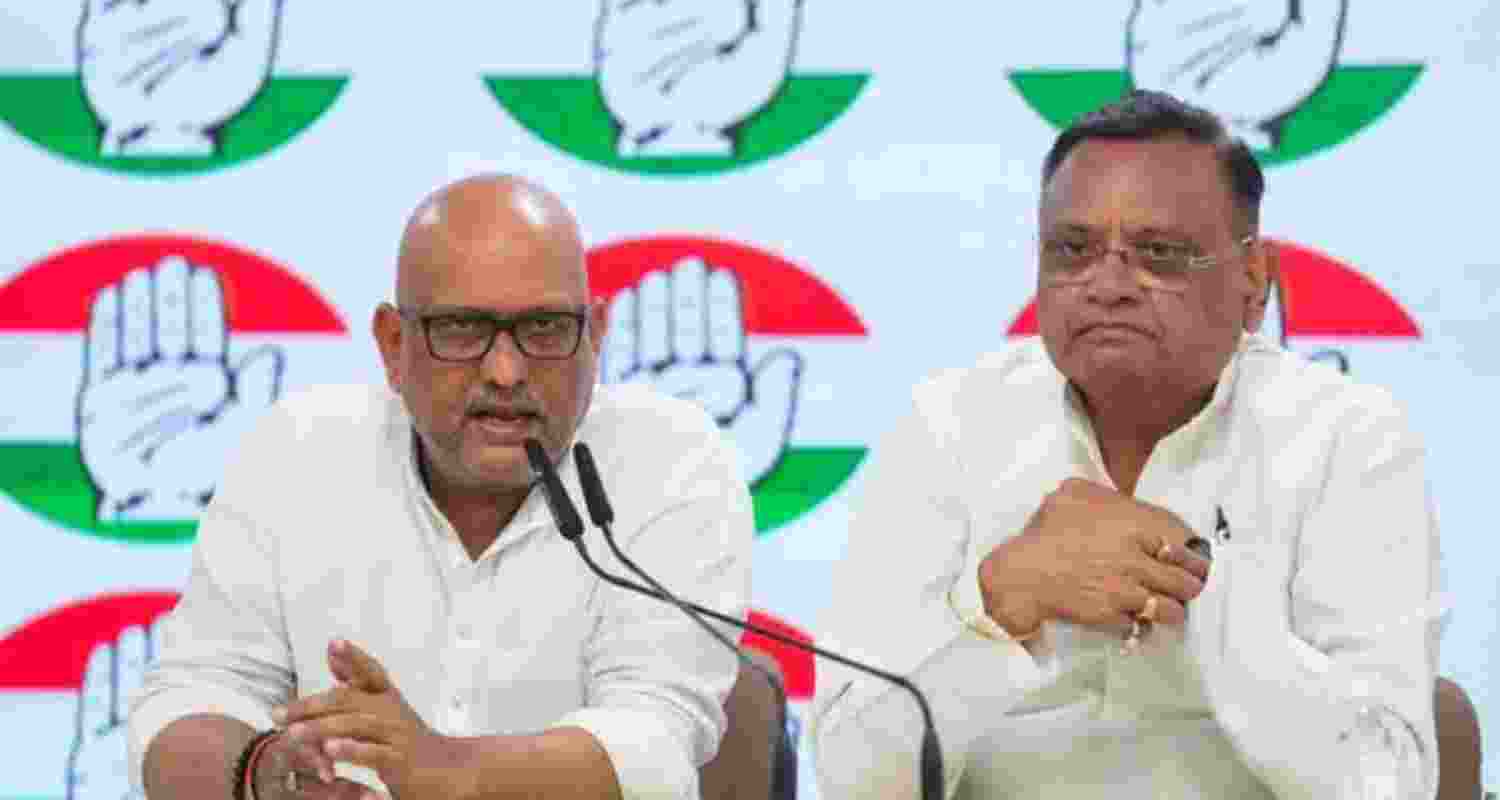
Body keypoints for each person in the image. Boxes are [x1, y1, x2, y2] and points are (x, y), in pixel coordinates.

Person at [810, 90, 1441, 799]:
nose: (1107, 284)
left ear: (1253, 281)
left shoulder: (1345, 437)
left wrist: (1200, 601)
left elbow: (1390, 782)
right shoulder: (949, 425)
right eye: (1072, 251)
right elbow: (850, 780)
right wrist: (1004, 604)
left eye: (1160, 253)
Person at [127, 174, 754, 800]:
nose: (506, 371)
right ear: (393, 346)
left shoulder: (669, 460)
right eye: (460, 330)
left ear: (594, 335)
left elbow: (654, 744)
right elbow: (191, 697)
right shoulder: (297, 452)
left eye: (544, 329)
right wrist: (260, 775)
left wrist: (443, 770)